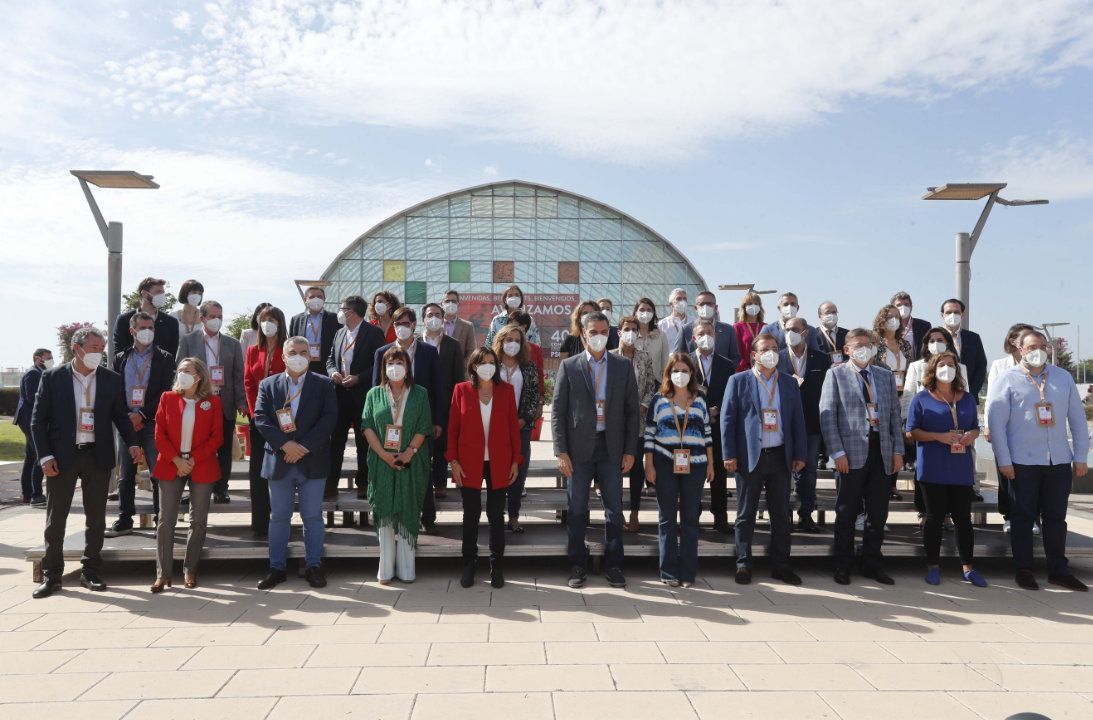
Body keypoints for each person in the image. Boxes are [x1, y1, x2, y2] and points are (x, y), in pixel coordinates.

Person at [30, 327, 142, 598]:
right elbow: (37, 422)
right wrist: (45, 457)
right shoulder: (53, 377)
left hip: (97, 455)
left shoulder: (110, 379)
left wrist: (133, 443)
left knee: (96, 519)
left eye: (101, 348)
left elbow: (119, 415)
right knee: (56, 519)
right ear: (77, 348)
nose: (99, 353)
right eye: (94, 348)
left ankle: (90, 571)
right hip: (62, 457)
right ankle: (52, 575)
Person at [987, 328, 1089, 591]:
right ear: (1020, 349)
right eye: (1032, 346)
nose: (1039, 350)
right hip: (1022, 462)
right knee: (1022, 517)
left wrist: (1080, 456)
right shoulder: (1007, 379)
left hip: (1058, 462)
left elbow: (1077, 420)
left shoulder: (1063, 378)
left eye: (1043, 345)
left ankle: (1058, 570)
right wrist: (1004, 460)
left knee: (1056, 518)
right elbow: (996, 423)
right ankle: (1024, 569)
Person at [552, 311, 640, 589]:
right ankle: (577, 564)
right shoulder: (570, 366)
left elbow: (631, 412)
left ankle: (614, 564)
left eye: (604, 331)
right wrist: (560, 451)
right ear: (583, 334)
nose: (599, 336)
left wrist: (629, 450)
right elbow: (558, 411)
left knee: (614, 509)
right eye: (593, 332)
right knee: (577, 509)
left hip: (611, 448)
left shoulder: (623, 366)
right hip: (578, 450)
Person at [819, 328, 904, 586]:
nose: (863, 349)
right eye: (858, 345)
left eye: (868, 344)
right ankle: (842, 565)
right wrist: (837, 453)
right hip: (850, 453)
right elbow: (827, 417)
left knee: (878, 514)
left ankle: (872, 563)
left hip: (882, 451)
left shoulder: (884, 375)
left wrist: (898, 450)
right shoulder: (835, 375)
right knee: (846, 513)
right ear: (847, 349)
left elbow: (893, 416)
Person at [722, 334, 807, 586]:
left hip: (781, 456)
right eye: (764, 349)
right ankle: (743, 564)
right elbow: (727, 420)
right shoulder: (738, 381)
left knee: (781, 515)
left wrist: (800, 454)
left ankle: (781, 565)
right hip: (751, 457)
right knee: (745, 514)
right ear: (754, 355)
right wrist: (729, 455)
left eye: (774, 348)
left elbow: (798, 421)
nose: (771, 352)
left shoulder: (790, 383)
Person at [254, 337, 338, 590]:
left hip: (312, 460)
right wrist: (285, 445)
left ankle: (314, 566)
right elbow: (261, 418)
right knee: (279, 517)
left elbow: (329, 419)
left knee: (312, 516)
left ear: (311, 356)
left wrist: (301, 447)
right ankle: (276, 568)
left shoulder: (323, 384)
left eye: (304, 352)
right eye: (293, 352)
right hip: (279, 461)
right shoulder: (268, 384)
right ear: (284, 356)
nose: (298, 356)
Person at [906, 352, 985, 587]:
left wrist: (972, 434)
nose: (947, 368)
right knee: (934, 518)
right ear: (933, 369)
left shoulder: (968, 398)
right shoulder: (921, 399)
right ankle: (933, 566)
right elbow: (911, 432)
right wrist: (938, 437)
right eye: (942, 364)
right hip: (932, 467)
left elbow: (975, 427)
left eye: (951, 365)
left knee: (963, 519)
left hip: (960, 467)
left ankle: (968, 567)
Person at [447, 348, 522, 588]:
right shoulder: (461, 390)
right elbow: (453, 429)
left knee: (495, 515)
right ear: (473, 366)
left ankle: (496, 565)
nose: (488, 366)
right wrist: (454, 461)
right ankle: (469, 563)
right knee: (471, 515)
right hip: (469, 462)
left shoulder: (506, 391)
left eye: (492, 362)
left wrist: (515, 461)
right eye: (483, 362)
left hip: (499, 462)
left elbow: (513, 428)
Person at [151, 358, 223, 592]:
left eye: (188, 371)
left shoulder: (212, 402)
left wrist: (192, 460)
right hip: (171, 463)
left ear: (199, 376)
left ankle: (190, 570)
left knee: (198, 521)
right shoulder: (167, 398)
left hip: (200, 464)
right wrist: (177, 460)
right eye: (180, 370)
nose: (182, 374)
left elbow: (217, 438)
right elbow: (159, 434)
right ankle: (163, 574)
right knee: (165, 521)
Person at [361, 347, 433, 584]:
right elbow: (367, 426)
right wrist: (384, 454)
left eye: (399, 361)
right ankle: (386, 568)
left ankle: (406, 566)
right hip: (382, 463)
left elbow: (424, 427)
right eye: (390, 362)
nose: (395, 366)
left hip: (411, 461)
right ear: (383, 367)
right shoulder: (374, 394)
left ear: (408, 365)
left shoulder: (420, 393)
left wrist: (408, 453)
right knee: (384, 512)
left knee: (407, 510)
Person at [645, 354, 714, 587]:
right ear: (668, 373)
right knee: (666, 519)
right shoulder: (659, 400)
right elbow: (649, 435)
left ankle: (687, 572)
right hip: (665, 463)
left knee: (690, 519)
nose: (680, 374)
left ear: (692, 374)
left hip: (695, 465)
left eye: (685, 370)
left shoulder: (700, 400)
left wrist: (711, 463)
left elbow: (707, 435)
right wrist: (649, 464)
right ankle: (668, 571)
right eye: (676, 370)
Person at [105, 312, 176, 538]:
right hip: (126, 424)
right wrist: (127, 417)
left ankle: (160, 519)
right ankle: (125, 520)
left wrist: (143, 415)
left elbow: (167, 390)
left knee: (158, 473)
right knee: (126, 475)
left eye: (151, 327)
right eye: (143, 327)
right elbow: (114, 390)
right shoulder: (120, 357)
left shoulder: (165, 357)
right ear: (132, 331)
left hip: (153, 422)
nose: (148, 331)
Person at [177, 300, 247, 504]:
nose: (217, 320)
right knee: (196, 446)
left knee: (224, 447)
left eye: (220, 316)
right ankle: (195, 488)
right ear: (202, 318)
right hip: (197, 400)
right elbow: (180, 371)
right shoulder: (189, 341)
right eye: (212, 316)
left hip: (225, 402)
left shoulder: (232, 343)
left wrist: (241, 401)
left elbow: (238, 375)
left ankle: (221, 488)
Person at [326, 295, 386, 500]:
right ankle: (330, 484)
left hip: (362, 395)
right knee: (336, 441)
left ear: (352, 312)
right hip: (340, 394)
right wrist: (333, 372)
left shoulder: (374, 333)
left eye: (343, 309)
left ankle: (364, 484)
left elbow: (379, 364)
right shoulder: (339, 333)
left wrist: (359, 378)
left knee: (364, 442)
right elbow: (329, 359)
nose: (340, 312)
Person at [777, 316, 831, 532]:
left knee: (808, 471)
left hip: (811, 424)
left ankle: (805, 514)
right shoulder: (778, 357)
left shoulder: (821, 359)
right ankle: (783, 516)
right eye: (787, 329)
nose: (790, 332)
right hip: (782, 423)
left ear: (806, 332)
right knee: (782, 471)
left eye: (795, 329)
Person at [984, 322, 1035, 533]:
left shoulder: (1038, 365)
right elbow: (992, 399)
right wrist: (988, 425)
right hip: (1005, 429)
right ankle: (1009, 515)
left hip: (1031, 430)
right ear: (1012, 341)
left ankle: (1032, 518)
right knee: (1005, 473)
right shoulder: (999, 365)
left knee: (1032, 476)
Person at [420, 302, 467, 528]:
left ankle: (440, 483)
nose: (434, 318)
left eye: (438, 315)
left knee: (442, 444)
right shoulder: (416, 344)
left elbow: (459, 377)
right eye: (430, 315)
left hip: (446, 401)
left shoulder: (452, 345)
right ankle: (424, 487)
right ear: (423, 319)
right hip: (420, 402)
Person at [243, 305, 287, 536]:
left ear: (280, 323)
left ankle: (280, 520)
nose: (267, 324)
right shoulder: (252, 350)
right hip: (258, 418)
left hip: (282, 419)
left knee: (280, 469)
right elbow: (249, 383)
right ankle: (259, 521)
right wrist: (255, 413)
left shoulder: (287, 349)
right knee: (257, 469)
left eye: (272, 319)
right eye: (263, 320)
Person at [493, 323, 541, 533]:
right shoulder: (491, 364)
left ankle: (513, 516)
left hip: (520, 428)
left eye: (516, 340)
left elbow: (533, 398)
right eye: (508, 339)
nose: (512, 344)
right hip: (493, 429)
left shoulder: (528, 366)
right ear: (500, 342)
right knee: (495, 472)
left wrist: (521, 421)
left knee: (517, 472)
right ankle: (496, 515)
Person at [690, 319, 735, 533]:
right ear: (693, 338)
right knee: (694, 474)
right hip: (692, 429)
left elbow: (731, 397)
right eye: (701, 333)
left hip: (718, 427)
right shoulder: (686, 363)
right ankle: (693, 517)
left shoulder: (727, 364)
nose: (706, 337)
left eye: (710, 333)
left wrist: (718, 412)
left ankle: (720, 518)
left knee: (719, 474)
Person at [614, 315, 658, 533]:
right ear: (619, 332)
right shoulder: (610, 356)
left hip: (639, 421)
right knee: (614, 467)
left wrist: (644, 404)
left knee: (636, 468)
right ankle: (616, 511)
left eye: (634, 329)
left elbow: (652, 386)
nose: (630, 332)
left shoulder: (644, 357)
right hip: (615, 423)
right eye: (626, 328)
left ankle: (634, 512)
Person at [873, 304, 914, 500]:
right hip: (882, 396)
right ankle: (882, 482)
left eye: (897, 316)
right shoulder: (875, 342)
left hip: (903, 396)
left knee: (899, 440)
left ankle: (893, 484)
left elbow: (911, 371)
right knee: (884, 438)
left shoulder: (905, 345)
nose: (894, 320)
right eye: (889, 316)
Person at [15, 348, 52, 506]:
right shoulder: (33, 374)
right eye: (48, 357)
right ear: (38, 359)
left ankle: (27, 493)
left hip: (30, 420)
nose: (51, 360)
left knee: (30, 458)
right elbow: (33, 398)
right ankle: (36, 495)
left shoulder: (39, 373)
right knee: (39, 455)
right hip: (29, 420)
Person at [113, 277, 181, 357]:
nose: (162, 296)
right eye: (158, 292)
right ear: (144, 293)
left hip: (160, 369)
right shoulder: (124, 320)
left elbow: (171, 354)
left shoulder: (171, 322)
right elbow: (119, 352)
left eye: (163, 293)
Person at [674, 290, 742, 369]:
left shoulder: (728, 330)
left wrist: (725, 372)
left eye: (709, 304)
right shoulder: (685, 330)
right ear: (696, 308)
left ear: (716, 308)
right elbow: (678, 356)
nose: (706, 307)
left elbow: (735, 357)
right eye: (702, 304)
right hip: (694, 379)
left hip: (722, 379)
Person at [508, 310, 546, 442]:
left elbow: (540, 376)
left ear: (524, 327)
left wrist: (540, 403)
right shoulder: (500, 349)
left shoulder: (534, 350)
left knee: (523, 448)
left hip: (526, 408)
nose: (511, 327)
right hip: (503, 409)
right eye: (509, 324)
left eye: (515, 324)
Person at [941, 298, 988, 399]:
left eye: (956, 312)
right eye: (948, 312)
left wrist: (971, 392)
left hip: (968, 395)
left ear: (962, 314)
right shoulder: (934, 337)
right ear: (942, 315)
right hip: (941, 396)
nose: (952, 315)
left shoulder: (973, 338)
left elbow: (981, 366)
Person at [290, 286, 341, 375]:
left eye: (319, 297)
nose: (316, 299)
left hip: (327, 364)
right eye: (312, 297)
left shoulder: (334, 318)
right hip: (303, 362)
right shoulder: (296, 319)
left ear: (324, 299)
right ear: (306, 299)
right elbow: (291, 342)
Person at [633, 297, 670, 378]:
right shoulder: (631, 334)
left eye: (649, 310)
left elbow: (665, 362)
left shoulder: (661, 336)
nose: (645, 312)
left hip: (656, 382)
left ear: (653, 313)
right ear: (636, 312)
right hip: (634, 382)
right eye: (642, 310)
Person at [890, 291, 932, 360]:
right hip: (895, 368)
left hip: (917, 367)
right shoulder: (887, 327)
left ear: (911, 307)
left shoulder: (924, 326)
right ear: (892, 308)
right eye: (899, 305)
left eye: (906, 304)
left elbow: (928, 349)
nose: (903, 307)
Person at [733, 291, 767, 372]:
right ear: (744, 307)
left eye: (756, 304)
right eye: (750, 304)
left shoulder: (766, 326)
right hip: (744, 369)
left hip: (763, 368)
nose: (753, 306)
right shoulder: (738, 326)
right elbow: (737, 352)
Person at [442, 289, 478, 363]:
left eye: (453, 301)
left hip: (460, 372)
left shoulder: (468, 326)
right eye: (447, 301)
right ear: (442, 304)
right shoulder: (435, 325)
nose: (450, 303)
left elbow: (471, 351)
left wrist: (460, 369)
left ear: (458, 304)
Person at [811, 301, 848, 366]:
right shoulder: (813, 334)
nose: (831, 315)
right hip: (823, 373)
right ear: (820, 316)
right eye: (827, 313)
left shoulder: (847, 334)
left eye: (834, 312)